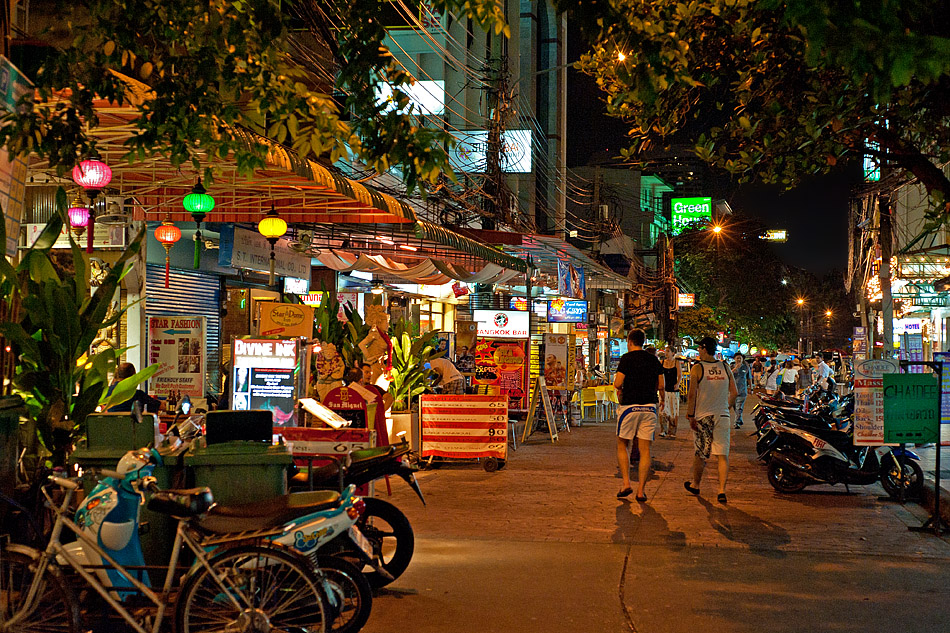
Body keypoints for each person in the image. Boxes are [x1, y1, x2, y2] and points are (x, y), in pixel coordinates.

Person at [684, 336, 738, 504]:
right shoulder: (725, 367)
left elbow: (692, 394)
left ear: (704, 348)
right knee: (722, 455)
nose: (698, 351)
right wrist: (726, 408)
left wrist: (690, 415)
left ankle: (696, 484)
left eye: (699, 348)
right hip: (722, 416)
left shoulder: (697, 368)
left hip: (703, 417)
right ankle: (721, 490)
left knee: (701, 453)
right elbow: (734, 393)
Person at [613, 329, 664, 501]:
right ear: (643, 341)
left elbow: (618, 383)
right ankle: (641, 491)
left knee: (623, 444)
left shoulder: (626, 358)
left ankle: (626, 483)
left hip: (629, 407)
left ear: (629, 341)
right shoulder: (654, 359)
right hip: (649, 407)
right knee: (645, 450)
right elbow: (661, 384)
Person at [659, 350, 682, 438]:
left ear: (673, 353)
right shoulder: (662, 362)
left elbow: (680, 375)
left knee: (673, 410)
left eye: (668, 351)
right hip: (664, 389)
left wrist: (678, 384)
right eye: (666, 351)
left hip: (673, 389)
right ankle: (663, 430)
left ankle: (672, 431)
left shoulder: (676, 362)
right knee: (663, 410)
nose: (666, 353)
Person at [731, 352, 752, 428]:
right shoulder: (731, 367)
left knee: (739, 407)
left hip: (742, 391)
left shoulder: (746, 367)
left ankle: (736, 423)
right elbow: (728, 375)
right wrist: (735, 368)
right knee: (735, 407)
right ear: (734, 359)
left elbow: (749, 378)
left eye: (740, 358)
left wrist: (751, 388)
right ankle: (739, 419)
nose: (739, 359)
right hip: (732, 391)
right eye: (737, 358)